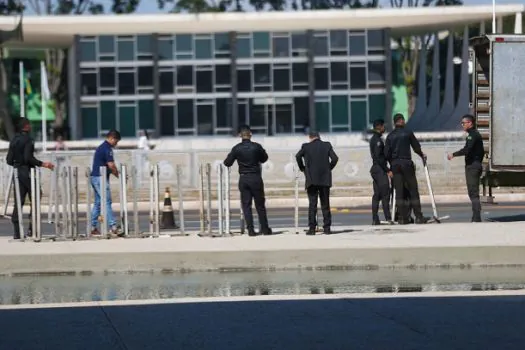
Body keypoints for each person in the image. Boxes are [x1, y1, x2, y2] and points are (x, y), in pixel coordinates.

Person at [6, 118, 55, 239]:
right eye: (29, 125)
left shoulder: (14, 140)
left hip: (17, 172)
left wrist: (18, 164)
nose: (31, 127)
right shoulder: (28, 139)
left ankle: (17, 232)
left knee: (19, 201)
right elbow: (28, 158)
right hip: (27, 172)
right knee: (36, 195)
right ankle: (32, 228)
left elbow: (9, 160)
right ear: (26, 126)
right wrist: (44, 164)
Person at [223, 125, 272, 237]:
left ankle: (250, 230)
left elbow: (227, 163)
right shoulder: (257, 147)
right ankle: (265, 229)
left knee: (246, 205)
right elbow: (264, 159)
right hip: (255, 177)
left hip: (244, 178)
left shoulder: (237, 148)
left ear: (240, 135)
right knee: (260, 205)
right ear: (250, 134)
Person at [385, 113, 429, 225]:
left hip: (395, 166)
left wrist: (392, 165)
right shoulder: (407, 133)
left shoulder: (390, 136)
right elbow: (416, 147)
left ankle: (402, 218)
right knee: (413, 190)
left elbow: (386, 154)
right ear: (401, 121)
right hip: (406, 163)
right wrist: (422, 155)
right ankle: (418, 216)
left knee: (399, 192)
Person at [295, 131, 339, 235]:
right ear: (319, 137)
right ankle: (327, 228)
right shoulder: (327, 145)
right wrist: (329, 168)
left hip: (311, 180)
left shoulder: (305, 147)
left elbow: (297, 156)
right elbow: (335, 158)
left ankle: (311, 229)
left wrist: (303, 168)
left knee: (312, 205)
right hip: (324, 179)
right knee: (325, 204)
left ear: (310, 138)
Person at [447, 114, 485, 222]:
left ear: (470, 123)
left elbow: (467, 149)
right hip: (473, 165)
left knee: (473, 191)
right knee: (472, 191)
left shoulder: (472, 135)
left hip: (473, 166)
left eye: (463, 123)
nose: (462, 125)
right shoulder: (472, 134)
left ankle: (476, 217)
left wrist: (453, 154)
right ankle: (475, 216)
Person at [89, 130, 123, 236]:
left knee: (98, 203)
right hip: (100, 178)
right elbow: (111, 165)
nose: (116, 144)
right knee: (107, 202)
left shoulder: (101, 147)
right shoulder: (107, 149)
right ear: (112, 138)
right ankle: (113, 226)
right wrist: (119, 175)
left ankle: (92, 227)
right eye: (116, 141)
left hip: (95, 177)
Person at [368, 119, 392, 225]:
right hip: (379, 169)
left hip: (376, 169)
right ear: (379, 127)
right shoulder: (377, 140)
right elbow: (379, 157)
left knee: (377, 194)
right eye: (383, 126)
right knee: (385, 194)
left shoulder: (375, 138)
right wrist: (387, 170)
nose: (384, 128)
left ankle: (375, 218)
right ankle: (388, 218)